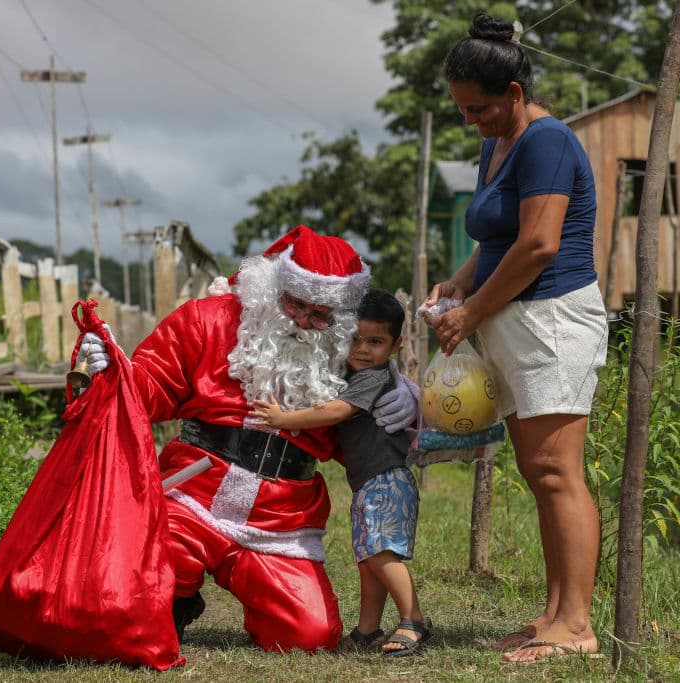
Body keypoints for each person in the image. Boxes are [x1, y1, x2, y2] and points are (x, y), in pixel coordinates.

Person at [76, 225, 419, 654]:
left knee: (308, 638)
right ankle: (173, 601)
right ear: (273, 286)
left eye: (320, 315)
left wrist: (404, 394)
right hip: (192, 495)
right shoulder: (208, 319)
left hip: (280, 517)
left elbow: (363, 429)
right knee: (131, 596)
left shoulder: (346, 354)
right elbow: (153, 386)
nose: (302, 322)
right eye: (294, 303)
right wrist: (114, 372)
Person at [427, 11, 609, 664]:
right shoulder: (495, 144)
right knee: (538, 472)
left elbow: (538, 244)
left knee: (559, 471)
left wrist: (469, 315)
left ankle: (579, 625)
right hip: (516, 322)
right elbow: (498, 238)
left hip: (554, 320)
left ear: (511, 94)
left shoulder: (547, 140)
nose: (471, 121)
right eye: (462, 111)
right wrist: (458, 283)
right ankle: (555, 613)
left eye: (478, 109)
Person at [250, 289, 432, 657]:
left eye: (376, 341)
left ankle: (415, 619)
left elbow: (336, 411)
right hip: (369, 482)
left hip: (387, 479)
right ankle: (367, 630)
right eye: (354, 339)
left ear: (396, 345)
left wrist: (286, 420)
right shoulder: (358, 371)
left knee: (381, 554)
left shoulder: (372, 377)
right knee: (368, 558)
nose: (363, 349)